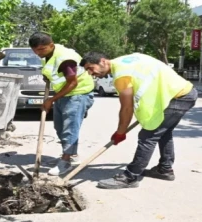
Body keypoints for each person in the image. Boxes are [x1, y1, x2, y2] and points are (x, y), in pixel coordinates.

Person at [80, 52, 198, 189]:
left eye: (90, 68)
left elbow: (126, 108)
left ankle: (130, 177)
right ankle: (165, 169)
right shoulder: (126, 60)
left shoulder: (121, 75)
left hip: (177, 97)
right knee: (164, 132)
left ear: (103, 61)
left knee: (148, 136)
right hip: (182, 93)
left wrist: (120, 132)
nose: (90, 73)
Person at [28, 32, 95, 176]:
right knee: (59, 127)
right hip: (64, 94)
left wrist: (51, 100)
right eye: (35, 50)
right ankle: (72, 155)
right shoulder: (47, 54)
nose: (38, 53)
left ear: (51, 45)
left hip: (78, 93)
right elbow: (53, 72)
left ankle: (65, 161)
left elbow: (73, 82)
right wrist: (47, 76)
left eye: (41, 50)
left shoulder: (65, 59)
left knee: (69, 129)